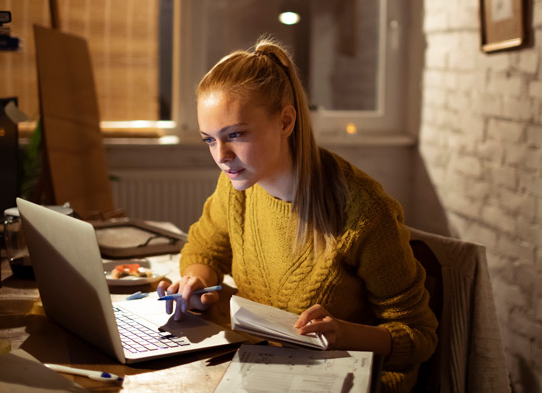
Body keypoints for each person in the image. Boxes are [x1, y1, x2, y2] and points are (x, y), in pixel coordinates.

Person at [157, 37, 437, 392]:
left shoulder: (363, 211)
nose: (221, 155)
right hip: (264, 370)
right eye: (209, 140)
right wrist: (195, 280)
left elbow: (420, 335)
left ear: (286, 121)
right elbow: (204, 249)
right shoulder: (236, 186)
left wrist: (343, 334)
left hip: (346, 379)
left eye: (236, 134)